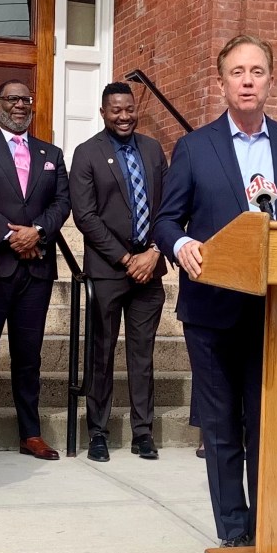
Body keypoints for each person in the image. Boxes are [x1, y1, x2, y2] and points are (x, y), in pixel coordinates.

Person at [152, 34, 277, 553]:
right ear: (222, 83)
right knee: (221, 426)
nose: (247, 80)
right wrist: (183, 243)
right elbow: (166, 219)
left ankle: (268, 520)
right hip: (213, 308)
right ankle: (233, 527)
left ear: (269, 81)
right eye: (237, 72)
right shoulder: (195, 147)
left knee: (268, 423)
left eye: (256, 71)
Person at [0, 80, 71, 461]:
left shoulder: (51, 152)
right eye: (12, 99)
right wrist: (9, 235)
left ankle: (31, 434)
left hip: (36, 270)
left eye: (26, 98)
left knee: (29, 357)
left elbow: (62, 202)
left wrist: (37, 232)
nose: (20, 105)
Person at [70, 82, 167, 462]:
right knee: (102, 353)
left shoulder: (153, 149)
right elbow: (85, 216)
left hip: (150, 270)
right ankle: (97, 431)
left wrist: (154, 253)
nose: (124, 116)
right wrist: (127, 259)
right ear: (103, 112)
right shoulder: (87, 153)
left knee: (142, 355)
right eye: (116, 110)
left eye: (128, 109)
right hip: (109, 271)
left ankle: (143, 432)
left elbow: (167, 205)